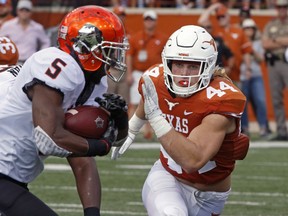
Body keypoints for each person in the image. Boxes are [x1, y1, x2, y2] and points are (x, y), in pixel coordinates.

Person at [0, 5, 129, 216]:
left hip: (12, 178)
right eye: (109, 48)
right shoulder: (58, 64)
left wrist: (120, 119)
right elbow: (47, 138)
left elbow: (85, 158)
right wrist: (100, 146)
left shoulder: (94, 82)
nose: (114, 56)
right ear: (86, 46)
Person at [112, 25, 250, 215]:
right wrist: (133, 126)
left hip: (209, 198)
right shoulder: (157, 79)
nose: (183, 74)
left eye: (193, 66)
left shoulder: (220, 100)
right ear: (168, 63)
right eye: (178, 64)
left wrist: (157, 119)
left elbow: (192, 160)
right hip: (167, 178)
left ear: (208, 65)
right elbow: (150, 99)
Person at [127, 9, 168, 139]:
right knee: (134, 102)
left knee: (155, 103)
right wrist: (129, 73)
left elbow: (166, 57)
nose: (149, 22)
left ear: (156, 22)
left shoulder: (162, 38)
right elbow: (129, 56)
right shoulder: (136, 37)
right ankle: (130, 129)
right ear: (144, 21)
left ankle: (148, 130)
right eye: (147, 19)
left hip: (155, 73)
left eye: (151, 19)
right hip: (138, 72)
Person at [198, 3, 252, 87]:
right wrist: (214, 6)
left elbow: (246, 52)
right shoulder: (214, 30)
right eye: (218, 17)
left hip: (235, 73)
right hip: (219, 73)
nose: (220, 19)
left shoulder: (238, 31)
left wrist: (248, 69)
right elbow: (201, 21)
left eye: (222, 16)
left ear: (228, 16)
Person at [262, 0, 288, 141]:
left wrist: (275, 39)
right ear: (277, 8)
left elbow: (271, 42)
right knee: (276, 98)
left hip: (286, 62)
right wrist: (283, 40)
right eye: (280, 7)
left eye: (285, 6)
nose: (282, 9)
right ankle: (281, 130)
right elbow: (265, 43)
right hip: (274, 63)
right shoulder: (270, 24)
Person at [240, 18, 269, 138]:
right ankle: (245, 128)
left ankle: (263, 127)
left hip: (256, 75)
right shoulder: (239, 41)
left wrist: (250, 49)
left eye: (251, 28)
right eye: (246, 28)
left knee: (260, 101)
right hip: (242, 76)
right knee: (243, 104)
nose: (249, 31)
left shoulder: (257, 43)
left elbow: (260, 59)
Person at [107, 6, 130, 104]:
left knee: (123, 102)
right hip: (110, 70)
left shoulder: (129, 34)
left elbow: (130, 54)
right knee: (108, 101)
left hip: (123, 71)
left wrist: (129, 73)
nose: (121, 18)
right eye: (118, 15)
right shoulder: (108, 32)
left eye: (122, 15)